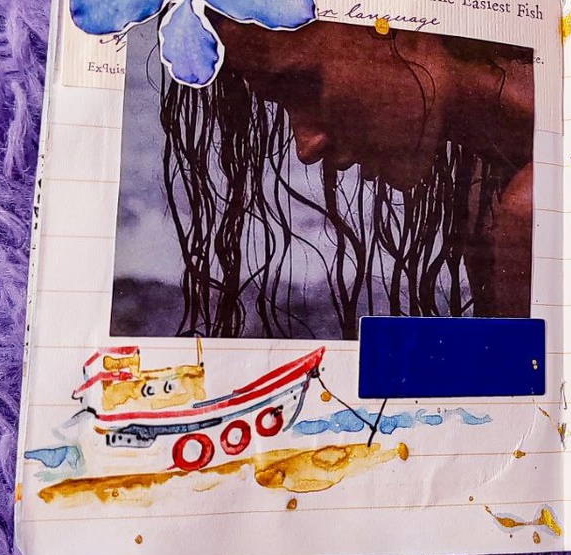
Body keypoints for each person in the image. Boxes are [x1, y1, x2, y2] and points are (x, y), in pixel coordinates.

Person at [154, 18, 535, 340]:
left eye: (306, 86)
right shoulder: (489, 198)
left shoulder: (524, 209)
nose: (306, 147)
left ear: (411, 30)